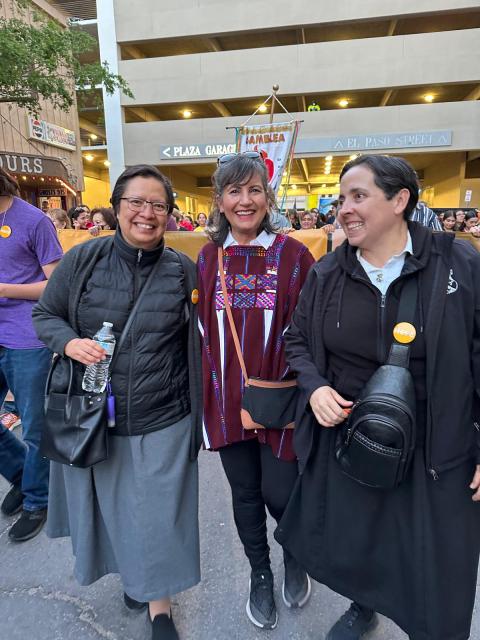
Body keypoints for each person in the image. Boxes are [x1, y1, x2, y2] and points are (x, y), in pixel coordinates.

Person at [275, 154, 480, 640]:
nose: (343, 208)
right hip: (358, 441)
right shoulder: (328, 272)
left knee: (438, 572)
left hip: (439, 445)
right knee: (362, 542)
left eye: (358, 196)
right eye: (341, 198)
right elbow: (297, 340)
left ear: (400, 200)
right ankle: (364, 605)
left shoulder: (458, 262)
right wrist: (316, 386)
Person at [32, 165, 203, 640]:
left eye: (158, 205)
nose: (147, 214)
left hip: (162, 414)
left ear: (170, 214)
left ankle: (160, 609)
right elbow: (45, 314)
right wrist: (68, 344)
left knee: (156, 516)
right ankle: (136, 576)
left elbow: (204, 343)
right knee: (110, 508)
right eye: (137, 203)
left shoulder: (183, 271)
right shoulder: (83, 259)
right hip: (93, 414)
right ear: (118, 206)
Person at [197, 153, 315, 631]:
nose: (245, 201)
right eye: (234, 191)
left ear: (268, 197)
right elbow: (199, 330)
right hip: (226, 402)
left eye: (254, 190)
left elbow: (310, 328)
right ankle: (259, 572)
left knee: (281, 492)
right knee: (244, 494)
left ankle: (296, 553)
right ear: (220, 201)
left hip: (281, 399)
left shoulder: (293, 254)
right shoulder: (208, 257)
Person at [0, 168, 63, 541]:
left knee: (35, 425)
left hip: (26, 337)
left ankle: (38, 500)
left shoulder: (34, 220)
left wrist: (4, 289)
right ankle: (24, 476)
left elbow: (54, 284)